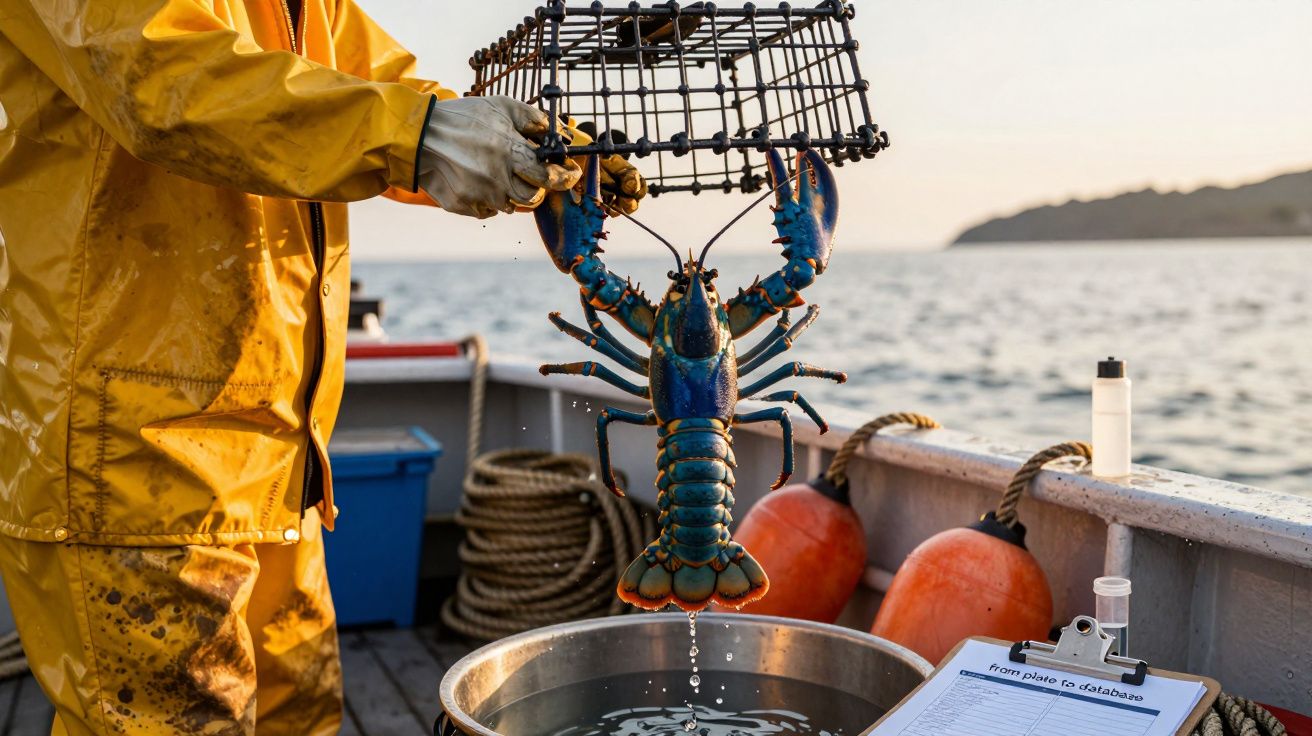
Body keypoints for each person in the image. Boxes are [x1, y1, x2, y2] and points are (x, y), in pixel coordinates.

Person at [0, 1, 645, 733]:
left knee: (298, 717)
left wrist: (528, 142)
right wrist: (420, 136)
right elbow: (162, 79)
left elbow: (380, 90)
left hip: (277, 462)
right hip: (128, 466)